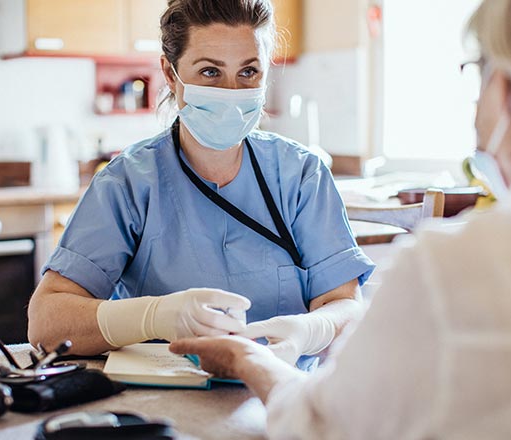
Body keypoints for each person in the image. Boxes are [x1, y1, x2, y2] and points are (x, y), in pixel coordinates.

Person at [169, 0, 511, 437]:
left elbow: (321, 427)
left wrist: (249, 359)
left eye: (476, 70)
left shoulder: (449, 266)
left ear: (503, 87)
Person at [27, 0, 375, 368]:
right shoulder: (127, 183)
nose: (231, 91)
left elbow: (345, 306)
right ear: (170, 73)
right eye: (210, 72)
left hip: (283, 396)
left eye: (248, 72)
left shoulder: (301, 176)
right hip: (163, 402)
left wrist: (308, 332)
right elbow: (47, 323)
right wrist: (154, 316)